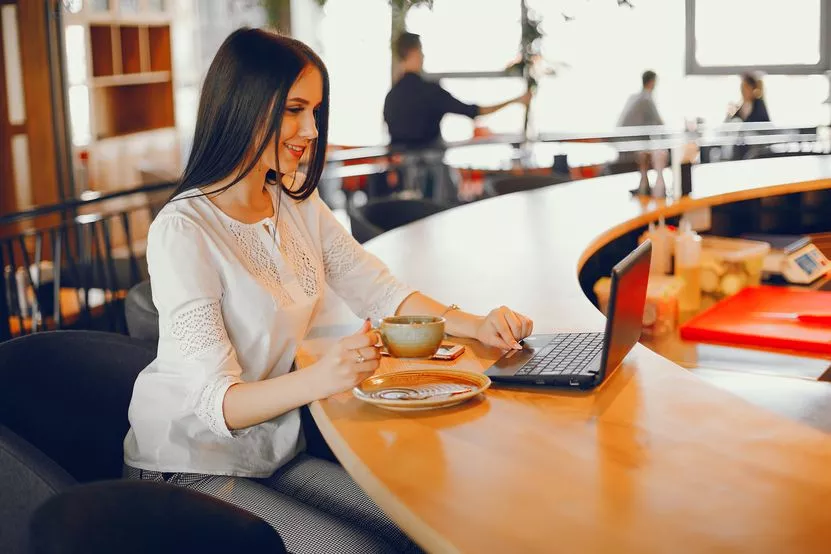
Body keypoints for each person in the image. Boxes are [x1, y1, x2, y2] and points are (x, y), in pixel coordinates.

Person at [123, 28, 534, 554]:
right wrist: (325, 376)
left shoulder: (294, 201)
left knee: (422, 523)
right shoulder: (183, 231)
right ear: (245, 105)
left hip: (270, 451)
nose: (311, 129)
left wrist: (476, 324)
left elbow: (380, 291)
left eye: (314, 110)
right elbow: (215, 404)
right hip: (187, 465)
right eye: (295, 109)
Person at [380, 32, 531, 201]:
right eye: (421, 51)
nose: (423, 57)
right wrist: (515, 100)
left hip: (399, 182)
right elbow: (474, 111)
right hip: (431, 181)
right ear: (413, 52)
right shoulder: (430, 92)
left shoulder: (391, 97)